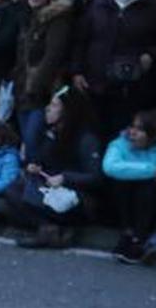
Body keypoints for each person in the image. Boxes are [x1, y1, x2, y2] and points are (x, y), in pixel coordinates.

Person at [71, 0, 156, 140]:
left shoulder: (154, 8)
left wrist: (151, 55)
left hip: (133, 86)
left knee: (124, 134)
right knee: (96, 133)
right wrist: (77, 71)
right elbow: (82, 39)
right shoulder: (100, 4)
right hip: (96, 83)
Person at [8, 86, 102, 249]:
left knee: (20, 199)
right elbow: (45, 162)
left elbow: (96, 176)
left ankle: (51, 229)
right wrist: (35, 166)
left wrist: (65, 177)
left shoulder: (86, 139)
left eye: (54, 105)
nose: (48, 109)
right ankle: (50, 228)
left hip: (76, 194)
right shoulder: (51, 132)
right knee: (11, 192)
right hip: (49, 187)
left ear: (68, 111)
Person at [103, 109, 156, 264]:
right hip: (121, 202)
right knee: (122, 183)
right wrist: (149, 170)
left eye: (140, 129)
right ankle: (127, 234)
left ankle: (139, 238)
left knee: (148, 186)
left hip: (149, 205)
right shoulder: (119, 144)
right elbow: (110, 167)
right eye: (132, 127)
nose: (133, 132)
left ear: (153, 135)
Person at [12, 0, 74, 154]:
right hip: (23, 88)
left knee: (35, 140)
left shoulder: (57, 19)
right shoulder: (30, 18)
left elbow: (54, 54)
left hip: (43, 90)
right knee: (26, 137)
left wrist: (36, 84)